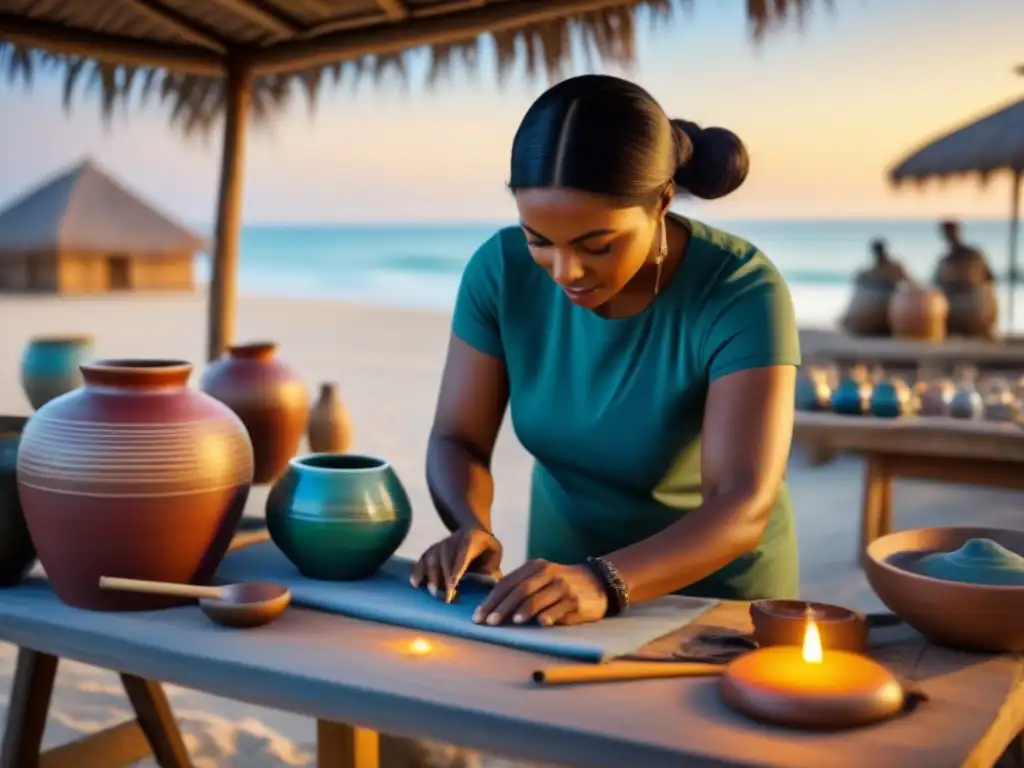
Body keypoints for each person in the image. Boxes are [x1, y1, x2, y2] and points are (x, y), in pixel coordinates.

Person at [410, 74, 800, 628]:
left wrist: (604, 581)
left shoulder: (740, 290)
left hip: (713, 605)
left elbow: (741, 504)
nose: (566, 272)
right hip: (559, 597)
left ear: (662, 202)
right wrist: (471, 526)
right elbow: (458, 438)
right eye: (538, 240)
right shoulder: (499, 272)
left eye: (597, 245)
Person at [933, 220, 994, 287]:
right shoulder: (944, 262)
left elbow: (989, 279)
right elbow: (937, 284)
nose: (950, 235)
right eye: (947, 231)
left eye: (951, 230)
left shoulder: (974, 256)